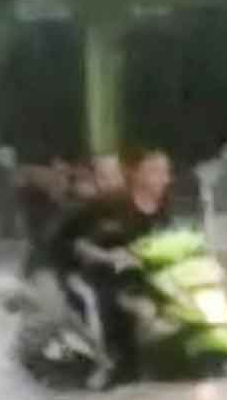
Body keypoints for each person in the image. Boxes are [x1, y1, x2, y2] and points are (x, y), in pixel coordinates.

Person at [47, 148, 175, 385]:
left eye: (165, 172)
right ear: (136, 174)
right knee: (99, 301)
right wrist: (108, 257)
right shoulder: (107, 204)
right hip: (87, 270)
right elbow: (71, 242)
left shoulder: (164, 204)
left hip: (131, 272)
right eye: (155, 172)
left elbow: (167, 239)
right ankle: (102, 362)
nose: (163, 179)